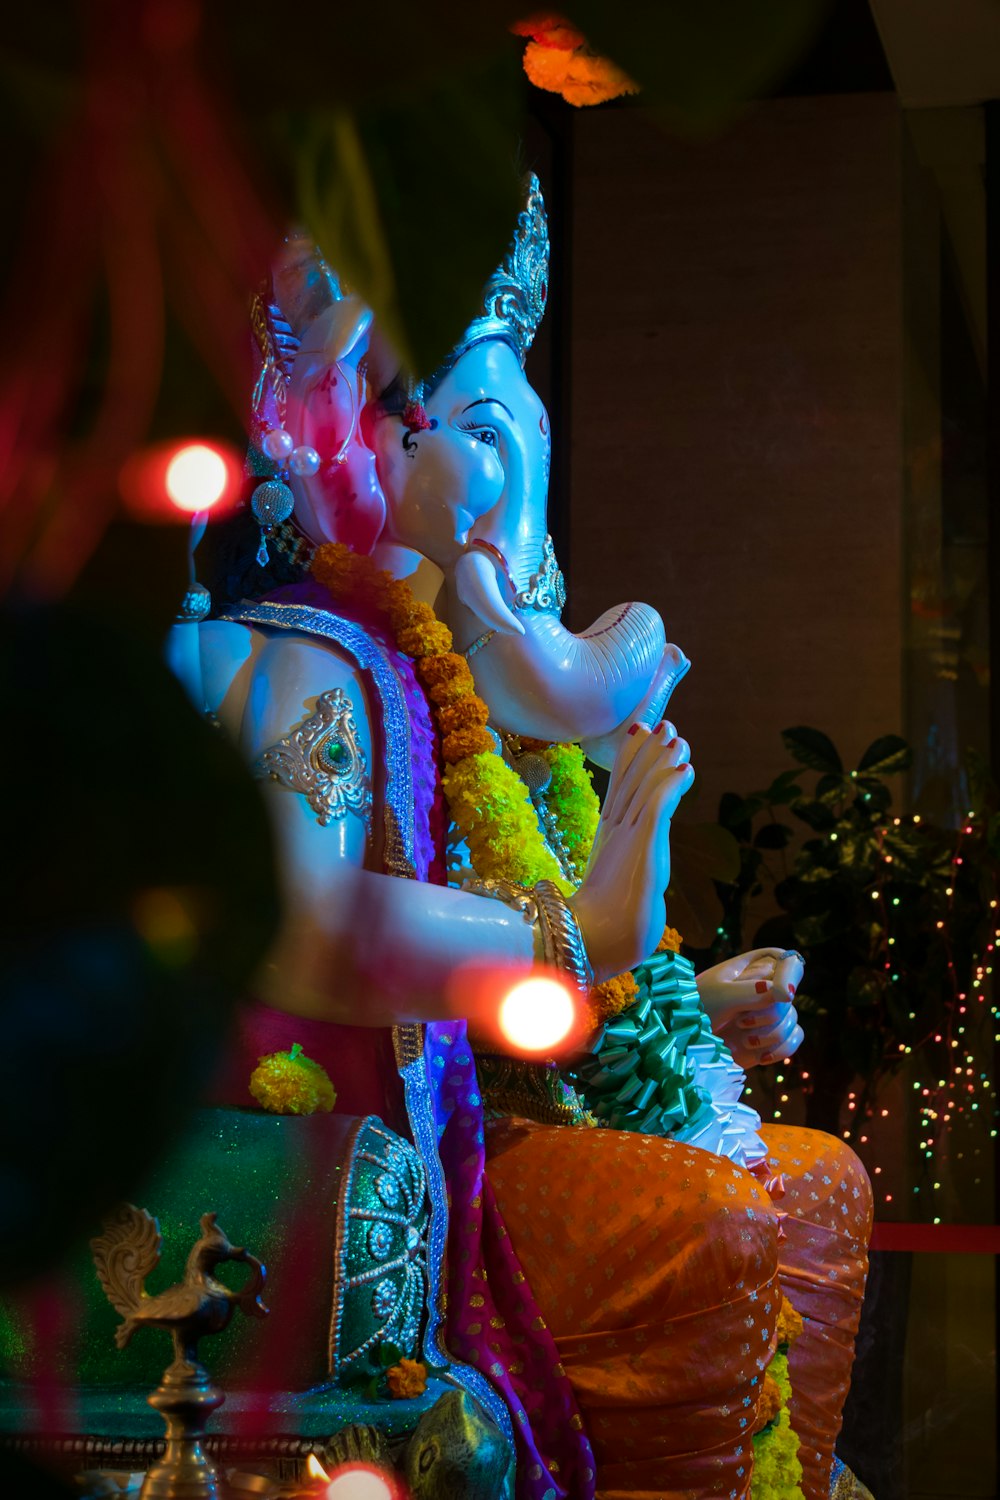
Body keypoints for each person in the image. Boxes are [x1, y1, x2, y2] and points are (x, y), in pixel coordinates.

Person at [187, 176, 872, 1500]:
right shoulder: (315, 665)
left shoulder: (452, 696)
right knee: (714, 1222)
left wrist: (674, 1001)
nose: (510, 481)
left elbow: (524, 983)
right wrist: (574, 936)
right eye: (483, 430)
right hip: (351, 1153)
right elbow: (309, 928)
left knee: (825, 1185)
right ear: (372, 437)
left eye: (515, 432)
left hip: (489, 1105)